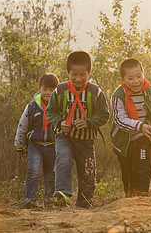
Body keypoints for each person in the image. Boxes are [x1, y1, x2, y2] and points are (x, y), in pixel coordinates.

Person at [45, 51, 109, 207]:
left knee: (88, 172)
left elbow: (104, 114)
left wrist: (89, 122)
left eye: (83, 74)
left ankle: (84, 203)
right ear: (68, 72)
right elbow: (50, 111)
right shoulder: (59, 91)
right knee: (63, 158)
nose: (78, 78)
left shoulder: (96, 93)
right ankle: (63, 194)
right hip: (64, 137)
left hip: (86, 140)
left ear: (89, 72)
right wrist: (60, 122)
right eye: (74, 74)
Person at [109, 58, 151, 197]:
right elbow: (119, 120)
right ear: (123, 80)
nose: (136, 81)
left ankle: (142, 197)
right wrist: (139, 126)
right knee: (128, 171)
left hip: (142, 136)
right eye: (131, 78)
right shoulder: (117, 96)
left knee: (142, 167)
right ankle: (130, 198)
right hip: (124, 140)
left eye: (139, 76)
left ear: (143, 74)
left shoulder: (148, 91)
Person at [15, 73, 59, 209]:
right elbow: (22, 126)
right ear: (39, 88)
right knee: (33, 171)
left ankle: (49, 200)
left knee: (50, 174)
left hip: (52, 147)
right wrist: (19, 146)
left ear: (56, 91)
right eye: (45, 89)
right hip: (35, 146)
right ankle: (30, 199)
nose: (48, 92)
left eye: (52, 90)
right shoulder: (32, 106)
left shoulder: (58, 107)